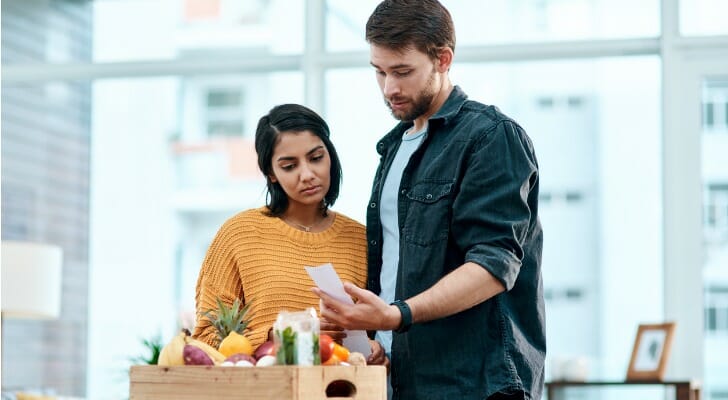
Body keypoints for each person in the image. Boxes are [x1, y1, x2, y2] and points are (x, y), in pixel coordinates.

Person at [313, 1, 545, 399]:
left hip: (478, 384)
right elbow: (397, 272)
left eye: (403, 72)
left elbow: (493, 265)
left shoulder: (491, 137)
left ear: (443, 59)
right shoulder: (394, 149)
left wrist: (396, 315)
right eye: (380, 72)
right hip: (407, 379)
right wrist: (376, 341)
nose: (390, 88)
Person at [191, 103, 386, 366]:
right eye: (289, 165)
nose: (307, 175)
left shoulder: (362, 239)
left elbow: (382, 326)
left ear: (330, 155)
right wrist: (278, 338)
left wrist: (377, 351)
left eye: (316, 158)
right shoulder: (238, 234)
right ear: (270, 172)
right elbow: (206, 339)